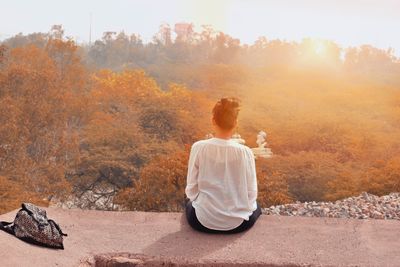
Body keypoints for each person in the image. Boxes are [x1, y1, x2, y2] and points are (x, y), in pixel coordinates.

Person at [185, 97, 262, 234]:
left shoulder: (199, 147)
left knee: (189, 203)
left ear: (213, 121)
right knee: (257, 207)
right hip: (239, 224)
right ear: (235, 123)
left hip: (201, 222)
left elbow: (191, 189)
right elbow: (251, 193)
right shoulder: (246, 152)